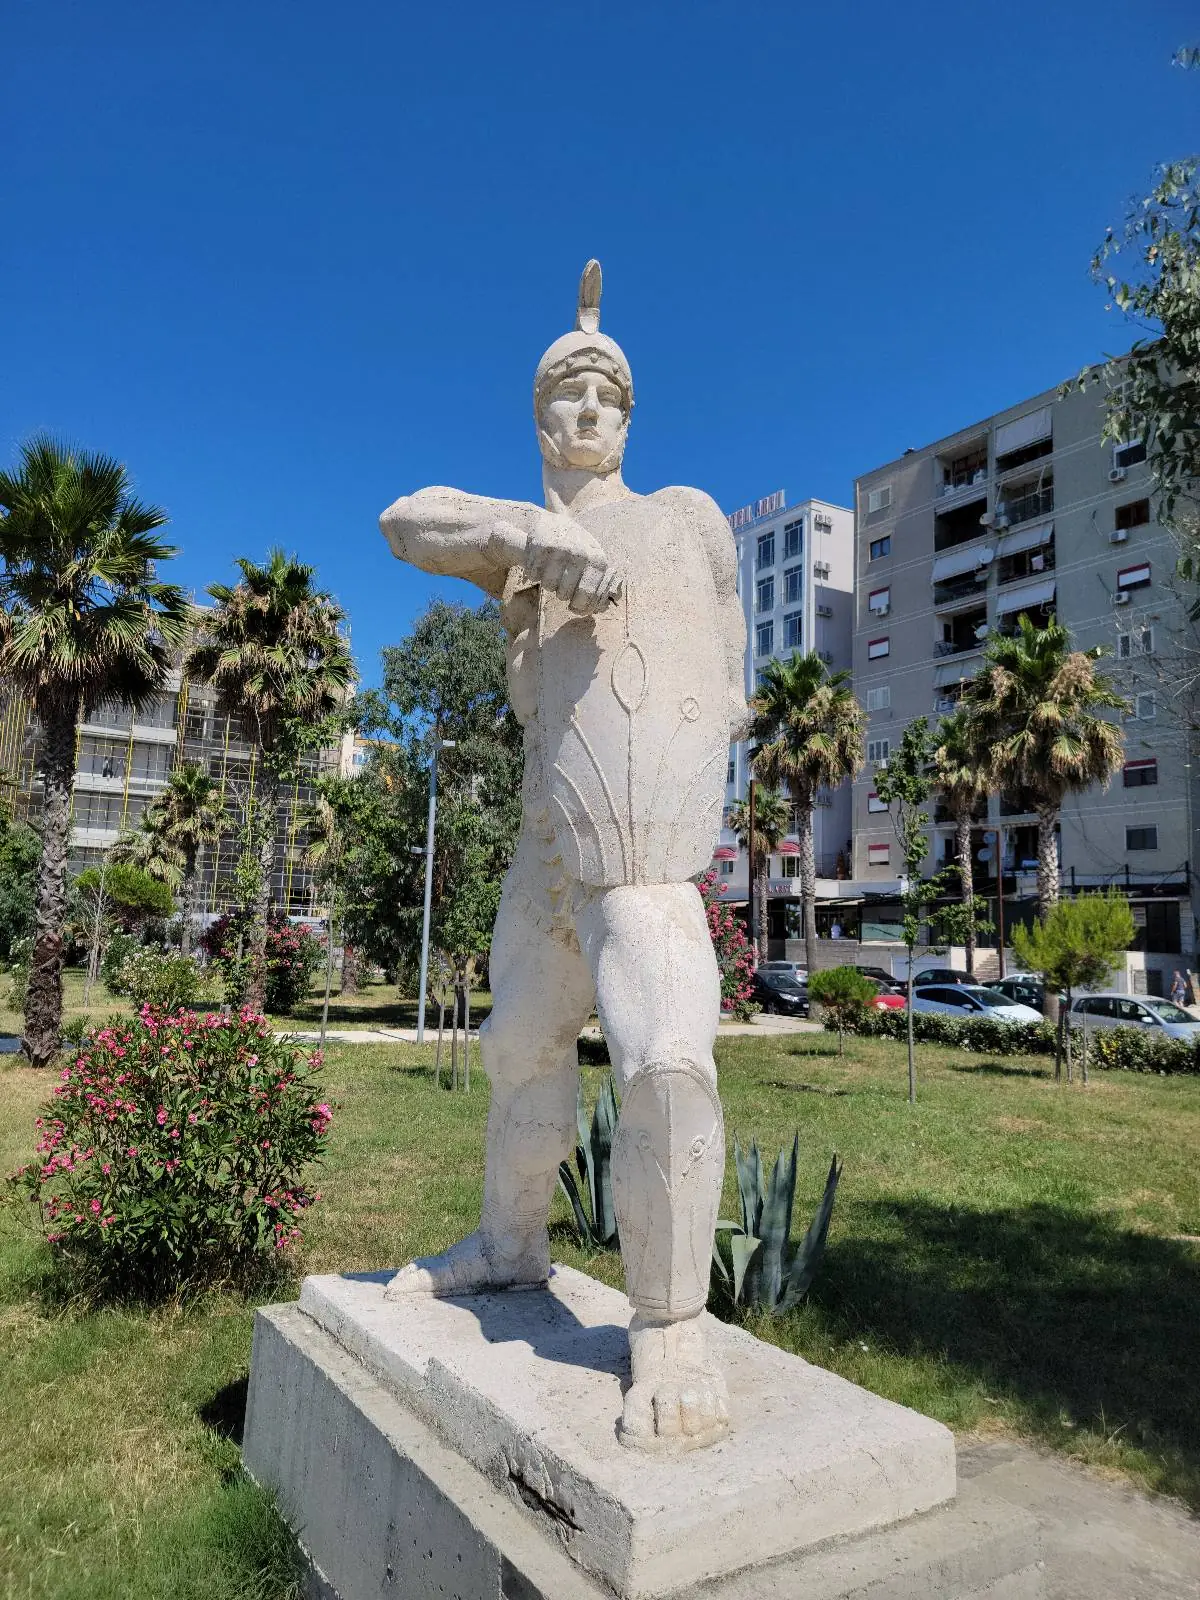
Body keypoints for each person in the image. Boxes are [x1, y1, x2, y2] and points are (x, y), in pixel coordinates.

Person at [380, 263, 747, 1452]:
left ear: (629, 419)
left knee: (665, 1062)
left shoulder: (677, 517)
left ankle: (672, 1329)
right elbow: (406, 518)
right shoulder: (525, 543)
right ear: (540, 417)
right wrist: (534, 531)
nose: (590, 410)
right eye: (569, 391)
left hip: (637, 846)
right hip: (547, 844)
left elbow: (722, 676)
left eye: (609, 393)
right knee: (517, 1048)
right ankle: (510, 1245)